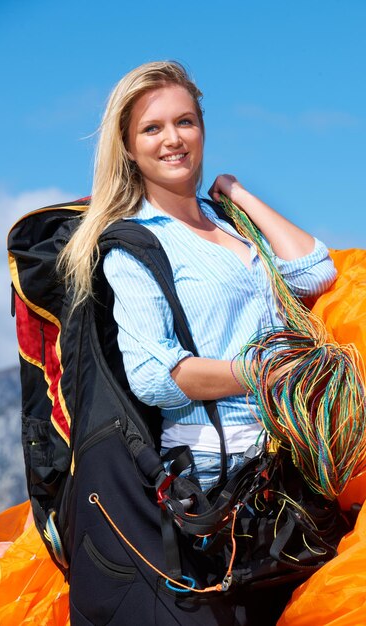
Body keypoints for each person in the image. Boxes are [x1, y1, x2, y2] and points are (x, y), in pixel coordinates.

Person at [59, 60, 337, 624]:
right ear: (128, 147)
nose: (173, 139)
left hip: (285, 464)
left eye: (185, 122)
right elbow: (158, 376)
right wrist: (265, 373)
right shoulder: (135, 248)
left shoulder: (228, 223)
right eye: (152, 129)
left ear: (203, 128)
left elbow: (314, 271)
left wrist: (236, 192)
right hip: (218, 482)